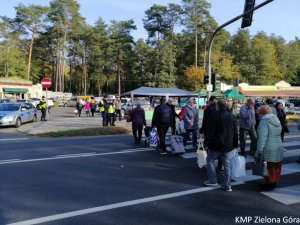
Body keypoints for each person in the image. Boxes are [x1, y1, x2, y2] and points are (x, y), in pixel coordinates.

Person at [203, 99, 238, 192]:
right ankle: (227, 184)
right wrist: (235, 144)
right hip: (228, 145)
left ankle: (213, 180)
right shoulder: (232, 116)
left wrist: (206, 143)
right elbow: (235, 132)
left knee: (210, 160)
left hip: (216, 144)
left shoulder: (214, 116)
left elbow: (210, 132)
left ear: (218, 106)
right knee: (227, 164)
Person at [255, 105, 284, 191]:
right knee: (273, 166)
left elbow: (262, 138)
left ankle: (270, 183)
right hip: (278, 145)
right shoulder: (276, 119)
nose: (259, 115)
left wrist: (259, 150)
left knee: (267, 166)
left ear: (262, 113)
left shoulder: (264, 122)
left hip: (268, 147)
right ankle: (273, 181)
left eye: (259, 113)